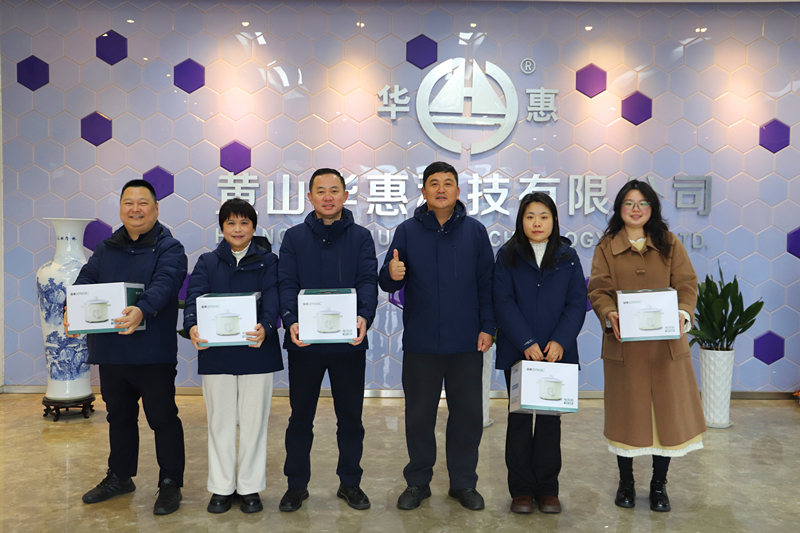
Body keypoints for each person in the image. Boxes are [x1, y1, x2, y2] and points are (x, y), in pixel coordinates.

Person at [66, 179, 188, 515]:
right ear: (120, 208)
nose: (136, 209)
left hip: (152, 353)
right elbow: (86, 279)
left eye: (143, 203)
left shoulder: (170, 247)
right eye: (128, 203)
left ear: (156, 208)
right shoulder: (106, 248)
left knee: (162, 417)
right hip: (111, 351)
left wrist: (142, 309)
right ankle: (120, 476)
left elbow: (166, 283)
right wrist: (71, 306)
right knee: (119, 416)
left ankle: (170, 483)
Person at [379, 161, 495, 511]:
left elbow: (487, 284)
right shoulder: (407, 231)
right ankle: (418, 482)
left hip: (466, 342)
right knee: (419, 416)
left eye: (448, 183)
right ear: (424, 191)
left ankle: (463, 483)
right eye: (434, 183)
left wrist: (488, 327)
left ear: (458, 191)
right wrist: (392, 273)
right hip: (422, 341)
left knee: (467, 416)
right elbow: (387, 282)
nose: (441, 189)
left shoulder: (475, 232)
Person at [587, 180, 705, 512]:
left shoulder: (669, 243)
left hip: (666, 348)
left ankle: (658, 485)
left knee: (665, 419)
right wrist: (609, 312)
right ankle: (626, 483)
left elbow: (686, 283)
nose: (636, 209)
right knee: (626, 417)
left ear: (652, 208)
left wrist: (683, 312)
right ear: (619, 209)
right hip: (625, 348)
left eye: (643, 203)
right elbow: (598, 289)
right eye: (629, 203)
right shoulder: (606, 246)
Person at [277, 168, 378, 512]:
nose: (328, 197)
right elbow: (286, 282)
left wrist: (364, 316)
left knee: (350, 418)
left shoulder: (361, 237)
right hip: (304, 344)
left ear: (345, 196)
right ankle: (296, 486)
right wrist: (290, 320)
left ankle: (350, 483)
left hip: (348, 344)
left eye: (334, 190)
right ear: (310, 197)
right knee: (300, 418)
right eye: (320, 191)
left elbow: (367, 280)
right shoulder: (293, 238)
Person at [183, 198, 283, 514]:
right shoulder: (207, 262)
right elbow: (193, 298)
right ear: (222, 228)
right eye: (231, 223)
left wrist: (267, 326)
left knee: (254, 423)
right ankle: (222, 487)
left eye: (244, 223)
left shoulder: (269, 261)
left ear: (253, 227)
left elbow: (274, 298)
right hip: (217, 354)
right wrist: (192, 326)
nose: (237, 229)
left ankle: (250, 488)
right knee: (220, 422)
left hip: (257, 350)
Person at [493, 192, 587, 514]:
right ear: (521, 220)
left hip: (556, 355)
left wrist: (560, 341)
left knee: (549, 421)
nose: (537, 223)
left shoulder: (568, 256)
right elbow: (503, 302)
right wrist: (526, 342)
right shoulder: (507, 255)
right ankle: (521, 490)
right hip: (519, 352)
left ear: (554, 220)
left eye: (543, 216)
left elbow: (577, 302)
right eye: (530, 216)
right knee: (519, 420)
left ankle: (547, 489)